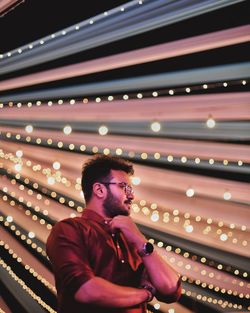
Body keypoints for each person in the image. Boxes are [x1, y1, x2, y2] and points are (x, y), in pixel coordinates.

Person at [46, 154, 181, 313]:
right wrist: (145, 294)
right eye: (124, 187)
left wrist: (140, 242)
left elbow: (171, 290)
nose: (131, 195)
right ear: (99, 190)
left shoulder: (130, 239)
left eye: (130, 189)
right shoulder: (70, 229)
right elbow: (87, 291)